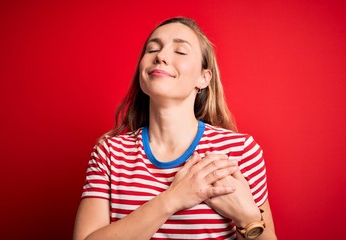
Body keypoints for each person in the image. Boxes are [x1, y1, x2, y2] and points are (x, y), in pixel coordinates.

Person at [74, 17, 277, 240]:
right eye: (153, 49)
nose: (160, 56)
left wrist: (247, 219)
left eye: (180, 51)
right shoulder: (109, 153)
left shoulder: (240, 151)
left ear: (203, 78)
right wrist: (174, 198)